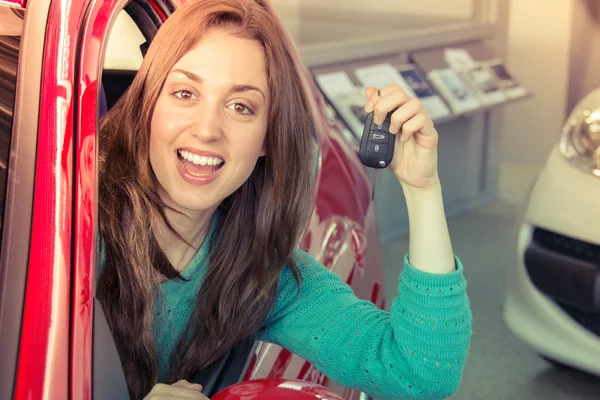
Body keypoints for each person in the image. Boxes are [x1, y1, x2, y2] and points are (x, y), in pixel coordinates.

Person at [96, 0, 473, 399]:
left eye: (240, 106)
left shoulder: (259, 273)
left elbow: (419, 375)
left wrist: (422, 188)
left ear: (267, 138)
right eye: (185, 93)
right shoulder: (74, 233)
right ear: (148, 105)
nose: (207, 130)